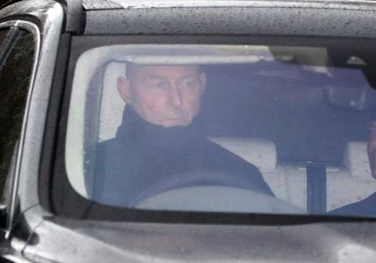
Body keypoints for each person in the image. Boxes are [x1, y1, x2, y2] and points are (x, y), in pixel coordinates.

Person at [90, 62, 273, 206]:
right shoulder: (90, 170)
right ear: (126, 90)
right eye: (159, 85)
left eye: (187, 84)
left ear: (202, 85)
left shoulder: (239, 172)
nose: (176, 101)